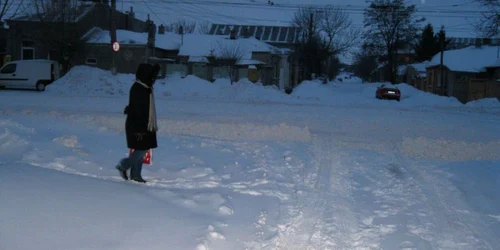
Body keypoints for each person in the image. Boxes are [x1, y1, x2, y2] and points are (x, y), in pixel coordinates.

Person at [115, 63, 160, 183]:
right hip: (137, 124)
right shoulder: (138, 88)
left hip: (144, 123)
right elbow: (137, 109)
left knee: (140, 148)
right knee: (143, 148)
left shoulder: (145, 87)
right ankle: (124, 165)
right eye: (150, 75)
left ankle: (136, 175)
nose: (152, 78)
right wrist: (139, 129)